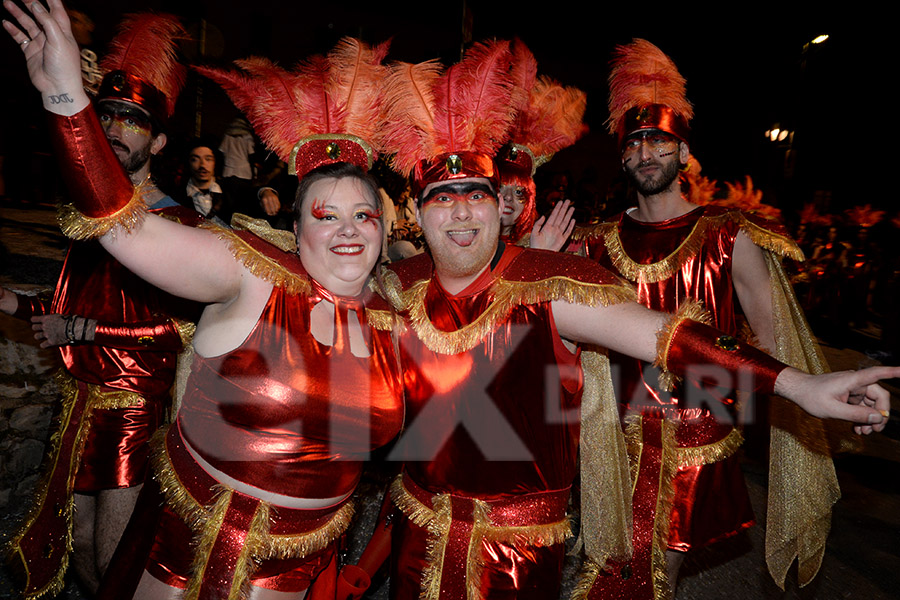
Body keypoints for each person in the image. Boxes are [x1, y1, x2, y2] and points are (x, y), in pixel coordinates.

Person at [370, 39, 894, 600]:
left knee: (642, 578)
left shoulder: (558, 280)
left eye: (476, 193)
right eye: (441, 197)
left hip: (539, 538)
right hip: (432, 531)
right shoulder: (398, 287)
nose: (461, 211)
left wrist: (798, 385)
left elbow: (670, 336)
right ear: (415, 212)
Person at [3, 4, 402, 599]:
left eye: (363, 215)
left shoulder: (404, 310)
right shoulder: (249, 271)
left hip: (304, 572)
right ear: (296, 230)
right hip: (184, 562)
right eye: (326, 215)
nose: (347, 230)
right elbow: (119, 224)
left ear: (384, 226)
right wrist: (67, 98)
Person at [571, 39, 844, 599]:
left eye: (661, 141)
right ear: (622, 156)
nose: (647, 153)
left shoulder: (728, 235)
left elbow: (772, 342)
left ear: (685, 153)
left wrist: (813, 396)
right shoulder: (594, 243)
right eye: (635, 142)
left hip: (692, 438)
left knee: (655, 576)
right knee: (604, 568)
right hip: (609, 437)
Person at [0, 10, 198, 597]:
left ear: (158, 142)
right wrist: (16, 303)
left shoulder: (180, 228)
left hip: (136, 411)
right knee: (80, 551)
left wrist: (80, 329)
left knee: (120, 559)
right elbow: (78, 312)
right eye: (106, 113)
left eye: (133, 120)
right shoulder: (90, 221)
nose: (115, 126)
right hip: (80, 405)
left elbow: (176, 333)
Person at [496, 41, 582, 251]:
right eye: (500, 188)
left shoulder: (542, 244)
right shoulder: (467, 245)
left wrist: (542, 258)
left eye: (519, 193)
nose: (508, 199)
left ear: (529, 201)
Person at [180, 139, 235, 226]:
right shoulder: (178, 195)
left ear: (215, 162)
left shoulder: (229, 188)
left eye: (208, 159)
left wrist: (263, 191)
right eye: (195, 159)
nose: (202, 165)